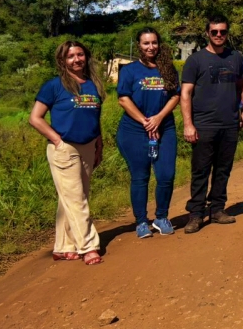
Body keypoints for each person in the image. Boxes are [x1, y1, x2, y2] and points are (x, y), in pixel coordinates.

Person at [29, 40, 105, 265]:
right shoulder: (54, 86)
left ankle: (64, 247)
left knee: (70, 199)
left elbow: (94, 117)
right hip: (65, 148)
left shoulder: (93, 85)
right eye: (71, 56)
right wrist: (57, 141)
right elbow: (35, 118)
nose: (77, 60)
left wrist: (99, 144)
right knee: (76, 198)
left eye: (80, 54)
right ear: (62, 61)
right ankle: (89, 246)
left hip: (89, 145)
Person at [181, 15, 243, 233]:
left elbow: (240, 85)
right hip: (204, 124)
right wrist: (188, 124)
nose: (219, 35)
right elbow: (186, 93)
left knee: (223, 169)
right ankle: (196, 214)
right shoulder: (195, 60)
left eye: (223, 32)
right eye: (215, 32)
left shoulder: (235, 57)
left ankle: (217, 209)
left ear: (227, 33)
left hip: (229, 124)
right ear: (207, 33)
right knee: (200, 171)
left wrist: (241, 109)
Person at [116, 28, 181, 238]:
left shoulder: (168, 68)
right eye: (146, 43)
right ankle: (141, 221)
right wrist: (145, 121)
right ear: (139, 46)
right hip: (134, 130)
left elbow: (175, 96)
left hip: (165, 127)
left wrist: (159, 118)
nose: (151, 47)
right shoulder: (129, 71)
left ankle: (161, 217)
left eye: (154, 42)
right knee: (140, 176)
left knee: (166, 175)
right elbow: (123, 99)